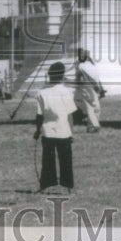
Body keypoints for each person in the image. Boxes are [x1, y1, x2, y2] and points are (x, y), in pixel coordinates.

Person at [35, 61, 78, 194]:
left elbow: (39, 115)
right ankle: (68, 186)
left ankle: (45, 186)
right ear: (62, 75)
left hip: (47, 132)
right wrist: (72, 132)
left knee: (47, 161)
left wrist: (37, 131)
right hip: (64, 131)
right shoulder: (67, 91)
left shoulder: (41, 92)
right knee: (66, 160)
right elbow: (70, 114)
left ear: (50, 75)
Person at [74, 48, 105, 133]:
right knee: (91, 107)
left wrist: (101, 88)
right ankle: (93, 126)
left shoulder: (90, 65)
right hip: (86, 88)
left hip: (92, 88)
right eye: (80, 54)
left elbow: (97, 78)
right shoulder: (81, 66)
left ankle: (92, 126)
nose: (81, 56)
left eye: (83, 54)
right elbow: (77, 79)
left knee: (96, 107)